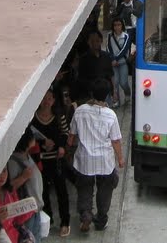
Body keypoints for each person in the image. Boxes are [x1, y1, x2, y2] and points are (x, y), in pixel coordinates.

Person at [68, 78, 124, 233]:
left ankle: (86, 215)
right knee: (105, 191)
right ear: (106, 95)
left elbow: (71, 136)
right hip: (104, 162)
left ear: (91, 93)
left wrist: (68, 149)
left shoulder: (79, 111)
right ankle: (100, 220)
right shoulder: (110, 115)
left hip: (84, 160)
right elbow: (116, 140)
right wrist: (120, 159)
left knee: (84, 189)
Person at [31, 89, 70, 238]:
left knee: (61, 191)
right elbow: (30, 136)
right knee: (43, 191)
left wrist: (60, 145)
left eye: (49, 98)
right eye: (43, 98)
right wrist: (42, 143)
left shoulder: (58, 116)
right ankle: (48, 218)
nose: (46, 101)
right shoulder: (33, 118)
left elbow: (65, 133)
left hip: (56, 159)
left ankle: (65, 222)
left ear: (53, 100)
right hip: (40, 160)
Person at [7, 128, 44, 243]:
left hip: (34, 208)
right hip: (26, 212)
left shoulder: (25, 156)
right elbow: (9, 188)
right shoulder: (14, 161)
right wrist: (23, 177)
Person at [0, 167, 35, 243]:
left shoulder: (10, 192)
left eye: (4, 171)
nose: (2, 176)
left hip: (16, 237)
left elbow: (16, 220)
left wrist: (28, 210)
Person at [106, 18, 132, 107]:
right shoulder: (110, 36)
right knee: (115, 83)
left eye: (119, 25)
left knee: (123, 82)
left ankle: (128, 94)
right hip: (113, 63)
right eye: (115, 25)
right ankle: (116, 100)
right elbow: (108, 48)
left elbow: (125, 49)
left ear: (122, 25)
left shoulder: (126, 36)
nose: (117, 27)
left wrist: (116, 59)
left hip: (122, 63)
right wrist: (112, 59)